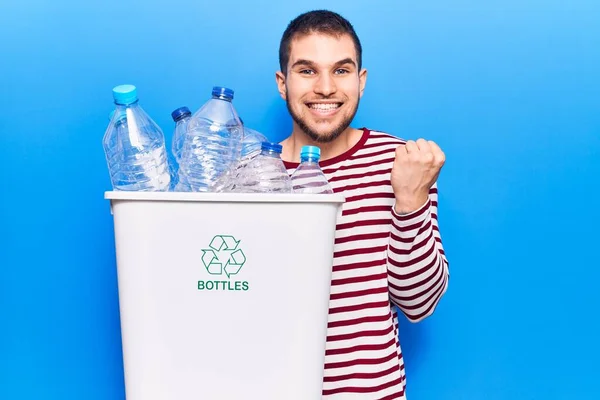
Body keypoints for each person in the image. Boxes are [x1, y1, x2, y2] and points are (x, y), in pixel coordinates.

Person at [275, 9, 450, 399]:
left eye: (341, 70)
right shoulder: (249, 174)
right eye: (307, 71)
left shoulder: (401, 162)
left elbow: (419, 303)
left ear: (361, 80)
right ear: (282, 83)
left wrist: (410, 201)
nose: (325, 88)